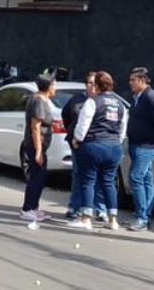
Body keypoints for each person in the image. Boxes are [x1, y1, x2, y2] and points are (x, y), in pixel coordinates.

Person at [66, 71, 127, 232]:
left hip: (93, 145)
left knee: (88, 181)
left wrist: (77, 139)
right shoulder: (120, 105)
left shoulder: (93, 102)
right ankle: (113, 219)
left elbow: (83, 124)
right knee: (108, 182)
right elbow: (122, 130)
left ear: (98, 85)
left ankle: (86, 218)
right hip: (114, 147)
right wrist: (115, 142)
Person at [125, 67, 154, 231]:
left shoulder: (151, 97)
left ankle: (142, 217)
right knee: (145, 179)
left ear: (142, 80)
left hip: (147, 145)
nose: (130, 83)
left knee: (136, 178)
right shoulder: (137, 98)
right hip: (137, 144)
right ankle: (145, 214)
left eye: (133, 80)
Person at [62, 73, 98, 221]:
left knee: (96, 177)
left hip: (96, 144)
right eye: (89, 83)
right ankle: (74, 207)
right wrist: (74, 135)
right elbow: (66, 117)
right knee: (78, 174)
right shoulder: (76, 100)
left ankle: (95, 208)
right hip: (77, 144)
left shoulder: (101, 101)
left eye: (94, 83)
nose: (92, 86)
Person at [20, 76, 56, 226]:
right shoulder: (39, 101)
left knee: (39, 177)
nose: (55, 88)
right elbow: (35, 127)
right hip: (35, 145)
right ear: (48, 86)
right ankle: (27, 208)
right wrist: (39, 151)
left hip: (39, 146)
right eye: (54, 85)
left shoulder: (42, 100)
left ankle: (34, 207)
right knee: (36, 177)